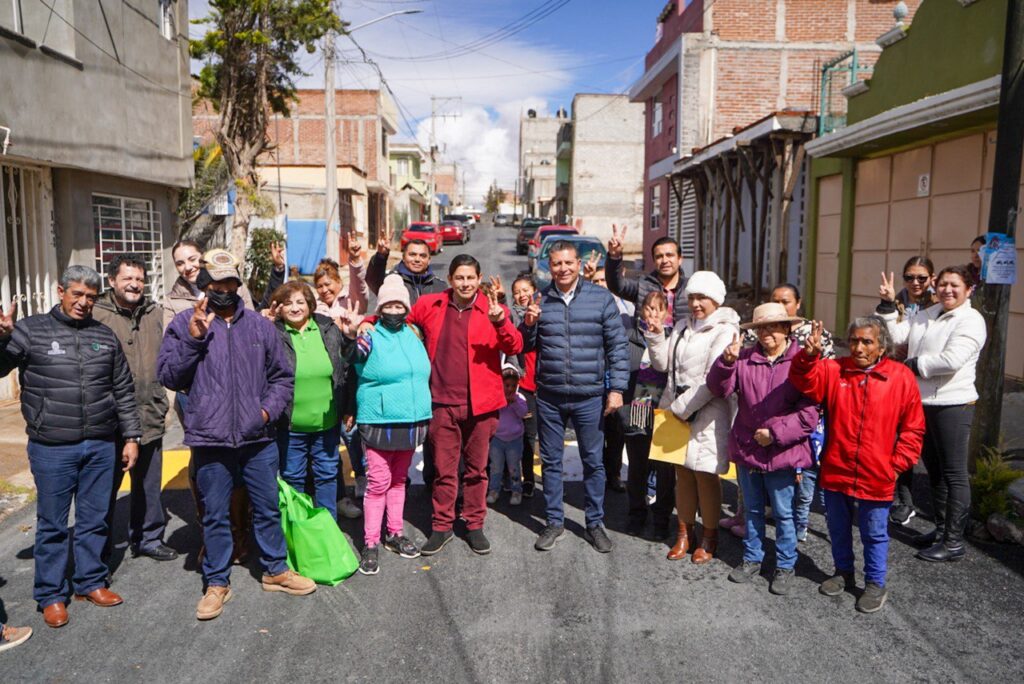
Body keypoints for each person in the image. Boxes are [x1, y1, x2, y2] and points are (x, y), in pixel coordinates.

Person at [158, 249, 315, 621]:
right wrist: (195, 340)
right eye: (216, 282)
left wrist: (264, 412)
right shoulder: (183, 324)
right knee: (215, 514)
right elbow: (169, 377)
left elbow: (282, 377)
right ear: (203, 285)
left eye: (230, 281)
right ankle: (216, 582)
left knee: (266, 508)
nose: (223, 288)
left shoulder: (260, 327)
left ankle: (275, 570)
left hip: (257, 439)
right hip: (210, 440)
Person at [0, 265, 141, 629]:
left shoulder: (104, 336)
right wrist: (2, 337)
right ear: (61, 291)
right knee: (53, 525)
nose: (83, 303)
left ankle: (90, 582)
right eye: (76, 294)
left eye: (90, 297)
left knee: (95, 520)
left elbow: (123, 390)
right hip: (52, 447)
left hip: (100, 445)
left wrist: (130, 437)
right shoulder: (30, 330)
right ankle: (51, 594)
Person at [368, 255, 521, 556]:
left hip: (482, 406)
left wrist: (501, 322)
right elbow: (393, 315)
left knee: (477, 470)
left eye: (470, 278)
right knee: (443, 470)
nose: (465, 283)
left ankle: (474, 525)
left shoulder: (493, 310)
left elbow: (515, 346)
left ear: (479, 279)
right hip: (440, 403)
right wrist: (365, 324)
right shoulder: (431, 305)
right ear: (450, 280)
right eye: (459, 278)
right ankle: (442, 526)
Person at [790, 317, 925, 613]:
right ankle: (843, 573)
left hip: (877, 474)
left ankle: (875, 584)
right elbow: (802, 381)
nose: (859, 347)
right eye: (854, 340)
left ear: (881, 346)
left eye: (867, 341)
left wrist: (896, 464)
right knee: (838, 528)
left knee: (874, 533)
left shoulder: (900, 377)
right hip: (836, 468)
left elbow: (913, 428)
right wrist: (808, 355)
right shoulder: (834, 368)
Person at [521, 241, 629, 554]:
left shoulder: (600, 298)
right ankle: (554, 522)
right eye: (557, 264)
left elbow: (617, 347)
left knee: (593, 462)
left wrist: (617, 389)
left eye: (569, 263)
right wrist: (528, 325)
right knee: (552, 462)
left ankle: (594, 523)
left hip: (590, 396)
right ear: (549, 266)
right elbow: (525, 345)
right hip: (550, 396)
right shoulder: (540, 297)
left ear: (579, 265)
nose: (564, 269)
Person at [707, 303, 818, 595]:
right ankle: (752, 558)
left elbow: (809, 414)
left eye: (773, 326)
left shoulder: (801, 362)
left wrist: (776, 434)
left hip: (783, 451)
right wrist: (726, 362)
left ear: (786, 329)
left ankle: (784, 564)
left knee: (783, 512)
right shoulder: (744, 359)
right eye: (760, 328)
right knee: (752, 509)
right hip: (749, 447)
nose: (766, 332)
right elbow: (720, 389)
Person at [879, 265, 987, 562]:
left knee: (954, 474)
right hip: (922, 403)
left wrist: (911, 366)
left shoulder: (971, 320)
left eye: (955, 285)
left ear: (968, 289)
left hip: (953, 405)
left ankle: (953, 541)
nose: (947, 290)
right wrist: (888, 306)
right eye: (942, 285)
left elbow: (951, 360)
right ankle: (940, 531)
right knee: (936, 472)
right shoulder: (929, 313)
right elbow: (896, 336)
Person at [643, 271, 739, 563]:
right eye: (693, 297)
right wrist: (656, 333)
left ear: (715, 300)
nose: (696, 304)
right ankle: (684, 533)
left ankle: (709, 537)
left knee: (705, 474)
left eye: (703, 298)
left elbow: (714, 379)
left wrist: (681, 408)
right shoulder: (684, 326)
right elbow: (662, 365)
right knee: (681, 474)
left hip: (708, 413)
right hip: (678, 408)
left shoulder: (725, 330)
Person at [93, 254, 177, 564]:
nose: (134, 284)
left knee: (148, 485)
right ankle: (98, 551)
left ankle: (149, 538)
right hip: (108, 420)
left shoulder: (155, 313)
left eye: (140, 279)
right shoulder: (96, 314)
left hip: (149, 413)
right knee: (103, 491)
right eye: (128, 278)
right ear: (112, 280)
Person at [605, 229, 686, 538]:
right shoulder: (643, 286)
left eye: (670, 255)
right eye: (659, 256)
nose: (664, 260)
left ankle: (662, 518)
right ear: (654, 261)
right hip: (642, 386)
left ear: (679, 259)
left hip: (673, 385)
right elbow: (615, 283)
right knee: (638, 452)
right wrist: (615, 257)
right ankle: (636, 513)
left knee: (665, 457)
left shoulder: (690, 292)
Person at [351, 274, 433, 575]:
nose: (395, 310)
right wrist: (359, 331)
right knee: (377, 484)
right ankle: (371, 542)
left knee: (399, 482)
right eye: (389, 305)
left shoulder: (413, 333)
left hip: (411, 421)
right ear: (381, 308)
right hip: (379, 420)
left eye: (400, 305)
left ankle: (394, 533)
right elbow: (355, 363)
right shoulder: (369, 334)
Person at [740, 283, 835, 542]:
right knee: (757, 502)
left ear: (797, 304)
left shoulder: (814, 336)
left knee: (802, 483)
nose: (779, 307)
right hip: (759, 433)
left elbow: (820, 385)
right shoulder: (754, 344)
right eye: (775, 300)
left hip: (803, 422)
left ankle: (799, 531)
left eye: (785, 302)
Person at [266, 281, 358, 522]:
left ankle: (328, 530)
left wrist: (349, 407)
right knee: (293, 478)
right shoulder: (272, 332)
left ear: (310, 304)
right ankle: (298, 532)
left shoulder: (328, 329)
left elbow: (346, 370)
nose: (295, 308)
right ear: (279, 308)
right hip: (290, 426)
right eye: (288, 303)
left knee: (327, 476)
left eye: (300, 302)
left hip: (326, 424)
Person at [872, 258, 937, 526]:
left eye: (922, 278)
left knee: (931, 447)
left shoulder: (940, 302)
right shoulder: (897, 300)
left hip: (927, 379)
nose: (915, 283)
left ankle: (940, 510)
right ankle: (904, 500)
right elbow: (887, 336)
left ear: (931, 278)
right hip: (898, 377)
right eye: (910, 277)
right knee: (899, 439)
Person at [585, 257, 635, 493]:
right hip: (592, 377)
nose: (601, 284)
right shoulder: (586, 306)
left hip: (618, 377)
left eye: (605, 280)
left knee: (617, 430)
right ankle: (593, 476)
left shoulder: (627, 307)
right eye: (596, 281)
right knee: (594, 430)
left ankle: (613, 474)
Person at [163, 239, 282, 328]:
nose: (187, 267)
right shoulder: (171, 302)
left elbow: (250, 323)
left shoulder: (236, 288)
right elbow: (171, 343)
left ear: (203, 257)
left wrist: (278, 270)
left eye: (192, 259)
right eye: (180, 263)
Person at [510, 274, 540, 498]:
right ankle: (525, 478)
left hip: (547, 385)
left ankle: (547, 480)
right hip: (524, 384)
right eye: (517, 292)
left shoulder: (546, 314)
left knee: (547, 436)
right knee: (525, 435)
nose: (522, 295)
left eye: (525, 290)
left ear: (535, 290)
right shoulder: (512, 318)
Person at [487, 365, 530, 506]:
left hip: (515, 439)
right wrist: (501, 400)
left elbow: (523, 413)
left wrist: (514, 403)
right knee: (496, 466)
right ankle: (494, 489)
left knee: (514, 466)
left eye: (513, 385)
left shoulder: (520, 398)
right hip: (497, 438)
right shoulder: (495, 396)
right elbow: (491, 411)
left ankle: (516, 490)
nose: (510, 389)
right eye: (506, 385)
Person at [366, 230, 446, 304]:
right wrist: (381, 256)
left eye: (422, 256)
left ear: (429, 260)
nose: (417, 259)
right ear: (403, 257)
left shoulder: (440, 286)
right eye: (412, 255)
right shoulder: (391, 280)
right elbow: (373, 281)